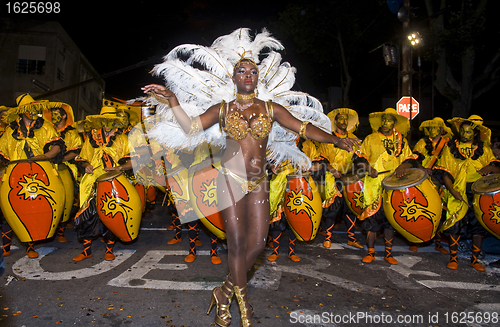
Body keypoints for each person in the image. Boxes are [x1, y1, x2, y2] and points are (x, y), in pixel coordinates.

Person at [140, 28, 358, 327]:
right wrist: (173, 99)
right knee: (238, 244)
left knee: (258, 242)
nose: (247, 75)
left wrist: (335, 140)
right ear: (234, 77)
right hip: (229, 179)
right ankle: (240, 309)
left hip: (259, 181)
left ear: (258, 78)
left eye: (252, 71)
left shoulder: (271, 109)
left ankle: (224, 290)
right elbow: (191, 129)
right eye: (241, 71)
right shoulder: (222, 109)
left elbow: (303, 127)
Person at [0, 94, 65, 258]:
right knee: (10, 209)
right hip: (15, 175)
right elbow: (2, 153)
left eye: (35, 109)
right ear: (22, 111)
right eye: (30, 109)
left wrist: (45, 156)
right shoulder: (9, 131)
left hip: (40, 174)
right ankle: (5, 246)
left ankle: (30, 246)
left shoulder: (46, 127)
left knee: (33, 208)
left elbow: (57, 147)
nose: (34, 112)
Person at [434, 115, 500, 271]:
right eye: (462, 130)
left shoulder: (484, 149)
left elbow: (497, 168)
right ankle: (453, 258)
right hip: (457, 191)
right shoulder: (451, 147)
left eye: (469, 131)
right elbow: (445, 173)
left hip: (478, 193)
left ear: (475, 133)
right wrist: (453, 191)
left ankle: (475, 259)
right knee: (455, 225)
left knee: (478, 227)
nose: (465, 133)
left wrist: (491, 168)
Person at [353, 108, 418, 265]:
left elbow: (411, 159)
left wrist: (404, 166)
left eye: (389, 120)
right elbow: (358, 158)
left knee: (391, 220)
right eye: (383, 120)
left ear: (394, 123)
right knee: (372, 220)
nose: (385, 123)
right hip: (374, 186)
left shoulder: (401, 140)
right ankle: (371, 252)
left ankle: (388, 253)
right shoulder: (370, 138)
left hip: (394, 186)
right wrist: (368, 168)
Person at [72, 106, 133, 261]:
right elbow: (82, 158)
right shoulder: (91, 138)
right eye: (104, 120)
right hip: (92, 181)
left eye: (110, 120)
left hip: (114, 181)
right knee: (88, 216)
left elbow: (133, 161)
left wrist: (120, 167)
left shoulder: (122, 139)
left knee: (111, 214)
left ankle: (109, 249)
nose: (107, 123)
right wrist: (86, 166)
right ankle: (86, 250)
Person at [317, 108, 364, 249]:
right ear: (335, 122)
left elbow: (360, 158)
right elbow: (321, 159)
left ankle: (351, 238)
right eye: (340, 119)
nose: (343, 122)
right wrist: (332, 169)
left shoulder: (354, 138)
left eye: (345, 119)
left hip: (351, 178)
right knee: (333, 209)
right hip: (333, 177)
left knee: (351, 208)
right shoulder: (328, 139)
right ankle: (328, 238)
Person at [409, 117, 452, 253]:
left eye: (435, 128)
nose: (431, 131)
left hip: (439, 180)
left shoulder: (447, 143)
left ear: (441, 129)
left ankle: (437, 242)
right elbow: (414, 159)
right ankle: (413, 240)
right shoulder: (422, 142)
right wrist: (422, 168)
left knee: (439, 210)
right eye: (430, 128)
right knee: (417, 209)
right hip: (422, 179)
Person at [44, 103, 83, 242]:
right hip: (48, 168)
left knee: (68, 199)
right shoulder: (47, 130)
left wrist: (60, 160)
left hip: (66, 168)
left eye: (57, 112)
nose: (54, 115)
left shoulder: (72, 132)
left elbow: (75, 151)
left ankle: (61, 231)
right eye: (52, 112)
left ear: (64, 115)